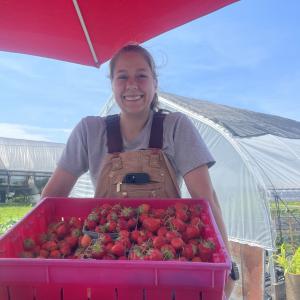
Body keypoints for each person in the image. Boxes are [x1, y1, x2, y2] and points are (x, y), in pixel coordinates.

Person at [41, 44, 234, 297]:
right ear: (112, 84)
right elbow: (50, 198)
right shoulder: (89, 131)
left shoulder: (176, 127)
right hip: (104, 265)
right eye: (122, 77)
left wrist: (228, 264)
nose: (132, 85)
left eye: (141, 75)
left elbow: (206, 200)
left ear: (155, 82)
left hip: (165, 267)